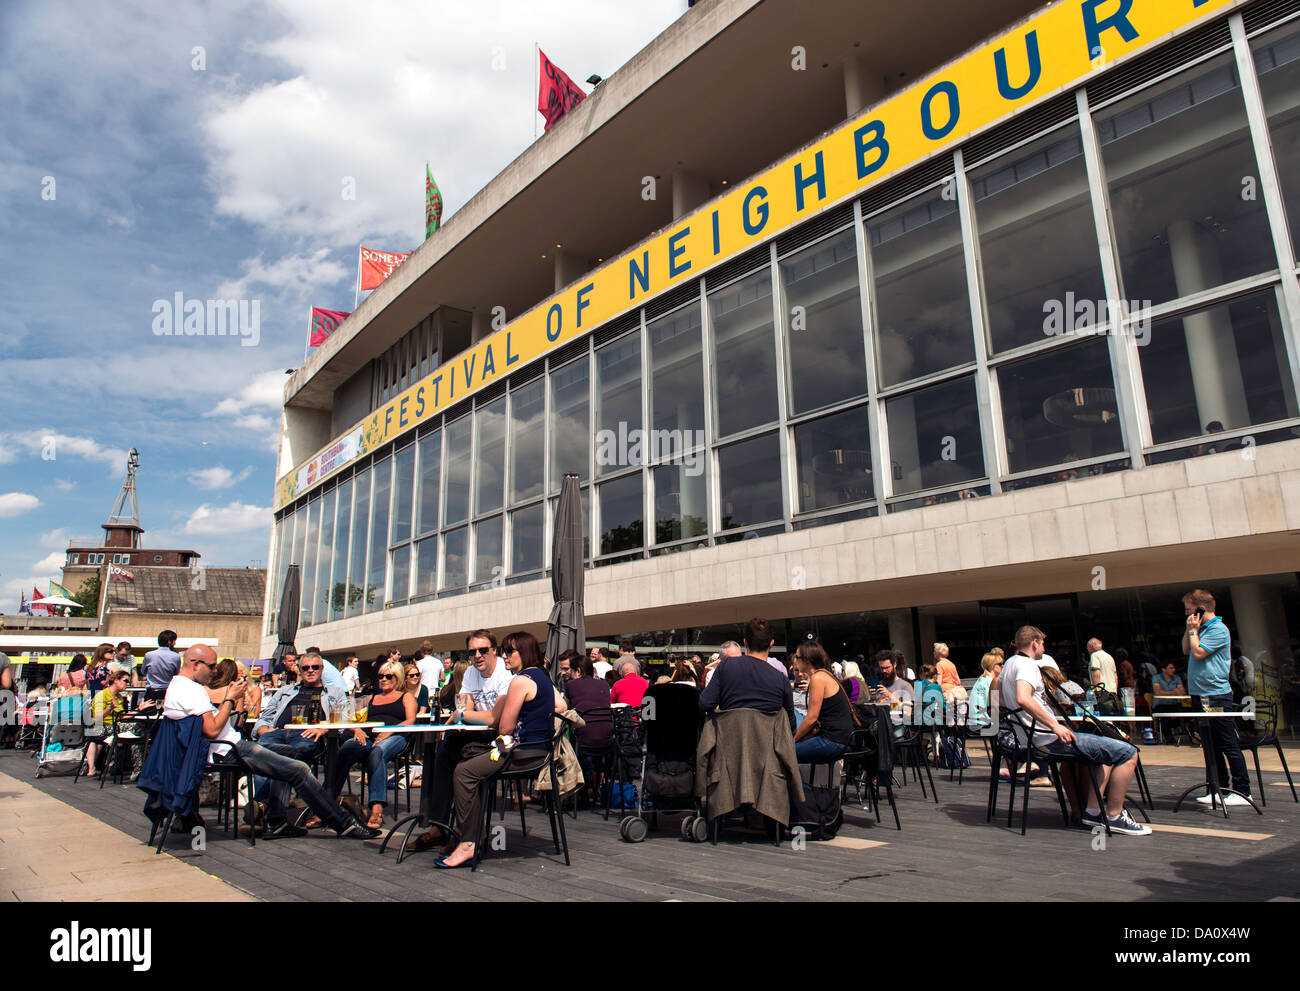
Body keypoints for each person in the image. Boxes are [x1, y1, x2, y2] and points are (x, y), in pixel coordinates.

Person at [164, 644, 375, 838]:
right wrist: (232, 700)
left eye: (315, 667)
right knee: (297, 769)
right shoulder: (190, 690)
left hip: (297, 738)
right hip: (233, 748)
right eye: (212, 667)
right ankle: (342, 823)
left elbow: (342, 717)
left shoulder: (181, 687)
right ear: (195, 664)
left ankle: (271, 813)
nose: (214, 672)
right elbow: (212, 729)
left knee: (290, 759)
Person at [434, 631, 567, 868]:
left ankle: (468, 842)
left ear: (523, 653)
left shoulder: (518, 681)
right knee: (466, 757)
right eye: (504, 651)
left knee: (463, 772)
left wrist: (512, 717)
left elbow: (504, 727)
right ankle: (468, 835)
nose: (505, 656)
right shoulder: (543, 676)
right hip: (540, 751)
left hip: (521, 753)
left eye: (509, 651)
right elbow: (561, 705)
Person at [1001, 626, 1149, 835]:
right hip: (1047, 739)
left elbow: (999, 698)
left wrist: (1016, 719)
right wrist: (1054, 725)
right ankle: (1114, 815)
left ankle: (1091, 810)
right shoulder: (1027, 665)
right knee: (1128, 752)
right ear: (1034, 642)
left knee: (1100, 755)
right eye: (1042, 642)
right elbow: (1022, 698)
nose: (1044, 646)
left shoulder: (1009, 664)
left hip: (1029, 739)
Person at [325, 659, 416, 829]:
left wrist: (390, 730)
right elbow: (350, 716)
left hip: (396, 736)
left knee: (378, 751)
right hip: (368, 737)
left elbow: (411, 720)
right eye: (381, 676)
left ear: (398, 678)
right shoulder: (369, 698)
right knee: (346, 749)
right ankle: (325, 803)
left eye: (389, 676)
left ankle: (376, 807)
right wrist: (356, 729)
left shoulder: (406, 697)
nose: (384, 679)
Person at [1182, 589, 1252, 806]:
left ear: (1201, 609)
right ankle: (1217, 787)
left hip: (1216, 695)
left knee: (1227, 742)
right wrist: (1190, 629)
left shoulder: (1218, 629)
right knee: (1209, 744)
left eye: (1189, 610)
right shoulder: (1198, 629)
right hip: (1199, 693)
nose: (1186, 614)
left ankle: (1243, 790)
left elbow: (1199, 653)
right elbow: (1186, 650)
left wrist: (1194, 631)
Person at [699, 617, 796, 732]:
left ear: (745, 642)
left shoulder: (726, 667)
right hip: (767, 746)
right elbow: (791, 725)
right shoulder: (781, 680)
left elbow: (704, 704)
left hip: (730, 742)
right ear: (771, 643)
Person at [790, 642, 854, 767]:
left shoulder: (818, 678)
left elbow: (811, 718)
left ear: (807, 660)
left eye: (797, 657)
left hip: (834, 741)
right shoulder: (825, 675)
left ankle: (800, 787)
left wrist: (792, 740)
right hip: (841, 739)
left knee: (785, 753)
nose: (795, 661)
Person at [85, 669, 132, 777]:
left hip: (115, 726)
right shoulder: (102, 695)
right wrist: (109, 709)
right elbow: (96, 718)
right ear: (116, 680)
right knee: (135, 730)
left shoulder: (119, 697)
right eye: (125, 681)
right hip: (101, 727)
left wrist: (139, 709)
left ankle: (133, 767)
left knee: (139, 729)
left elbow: (122, 716)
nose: (127, 684)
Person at [142, 630, 181, 699]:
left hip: (151, 691)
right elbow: (176, 673)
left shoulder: (149, 655)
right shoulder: (176, 657)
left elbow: (143, 671)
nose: (175, 643)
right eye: (174, 641)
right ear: (169, 642)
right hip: (168, 692)